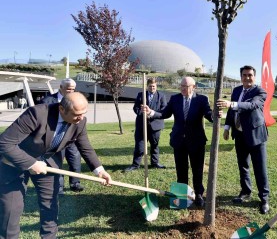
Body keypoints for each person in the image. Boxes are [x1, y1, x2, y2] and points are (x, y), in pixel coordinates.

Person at [0, 92, 112, 239]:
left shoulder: (80, 121)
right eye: (76, 114)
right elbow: (4, 143)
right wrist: (31, 163)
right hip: (14, 163)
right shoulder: (36, 114)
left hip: (48, 163)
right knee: (11, 209)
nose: (81, 118)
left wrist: (99, 170)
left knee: (50, 206)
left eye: (84, 114)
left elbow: (85, 146)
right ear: (61, 109)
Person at [143, 76, 214, 207]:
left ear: (194, 87)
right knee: (181, 170)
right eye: (181, 86)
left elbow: (209, 114)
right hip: (179, 141)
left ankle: (198, 194)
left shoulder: (201, 99)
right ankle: (182, 196)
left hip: (196, 141)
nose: (182, 88)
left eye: (185, 86)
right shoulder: (175, 99)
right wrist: (151, 112)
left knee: (197, 169)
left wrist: (215, 115)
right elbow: (165, 114)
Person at [217, 65, 270, 214]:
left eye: (250, 75)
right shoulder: (236, 90)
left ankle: (264, 198)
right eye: (244, 75)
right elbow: (230, 111)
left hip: (256, 136)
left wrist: (232, 104)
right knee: (243, 166)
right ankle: (245, 192)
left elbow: (252, 105)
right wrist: (227, 127)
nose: (247, 78)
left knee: (260, 169)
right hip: (239, 135)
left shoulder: (260, 91)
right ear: (241, 76)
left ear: (254, 76)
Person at [41, 78, 84, 194]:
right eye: (68, 89)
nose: (71, 92)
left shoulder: (76, 99)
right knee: (57, 162)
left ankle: (75, 183)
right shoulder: (48, 100)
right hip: (56, 139)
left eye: (73, 89)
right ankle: (59, 187)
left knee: (75, 158)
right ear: (61, 87)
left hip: (71, 137)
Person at [124, 78, 167, 172]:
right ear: (147, 86)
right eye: (150, 86)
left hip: (155, 126)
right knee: (139, 146)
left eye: (154, 86)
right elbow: (135, 108)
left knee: (154, 146)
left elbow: (163, 111)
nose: (152, 88)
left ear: (156, 86)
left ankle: (155, 163)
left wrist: (151, 113)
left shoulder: (161, 96)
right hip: (141, 125)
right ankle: (135, 165)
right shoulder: (141, 95)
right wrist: (142, 113)